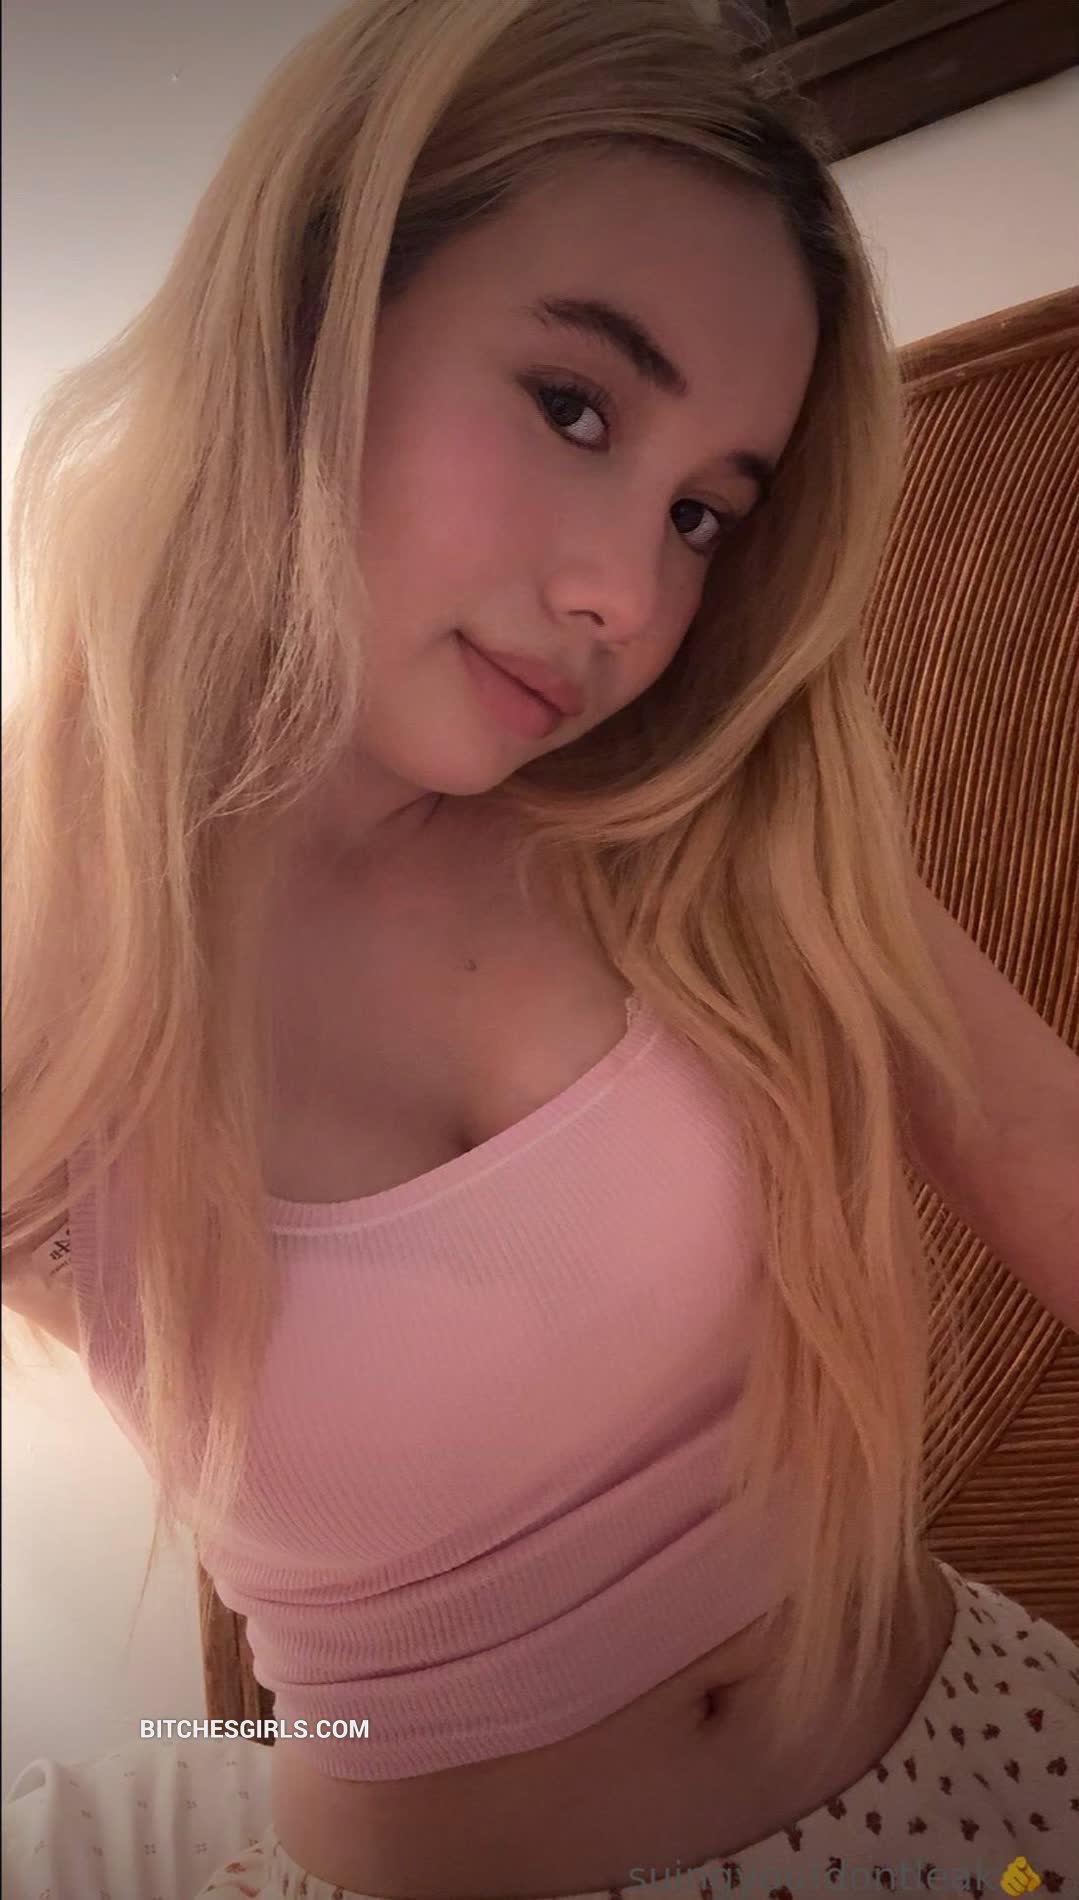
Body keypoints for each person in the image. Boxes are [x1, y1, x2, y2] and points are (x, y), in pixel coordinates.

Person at [3, 1, 1078, 1896]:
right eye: (575, 406)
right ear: (311, 313)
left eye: (702, 514)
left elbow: (1042, 1149)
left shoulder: (710, 818)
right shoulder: (45, 956)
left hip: (988, 1772)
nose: (625, 595)